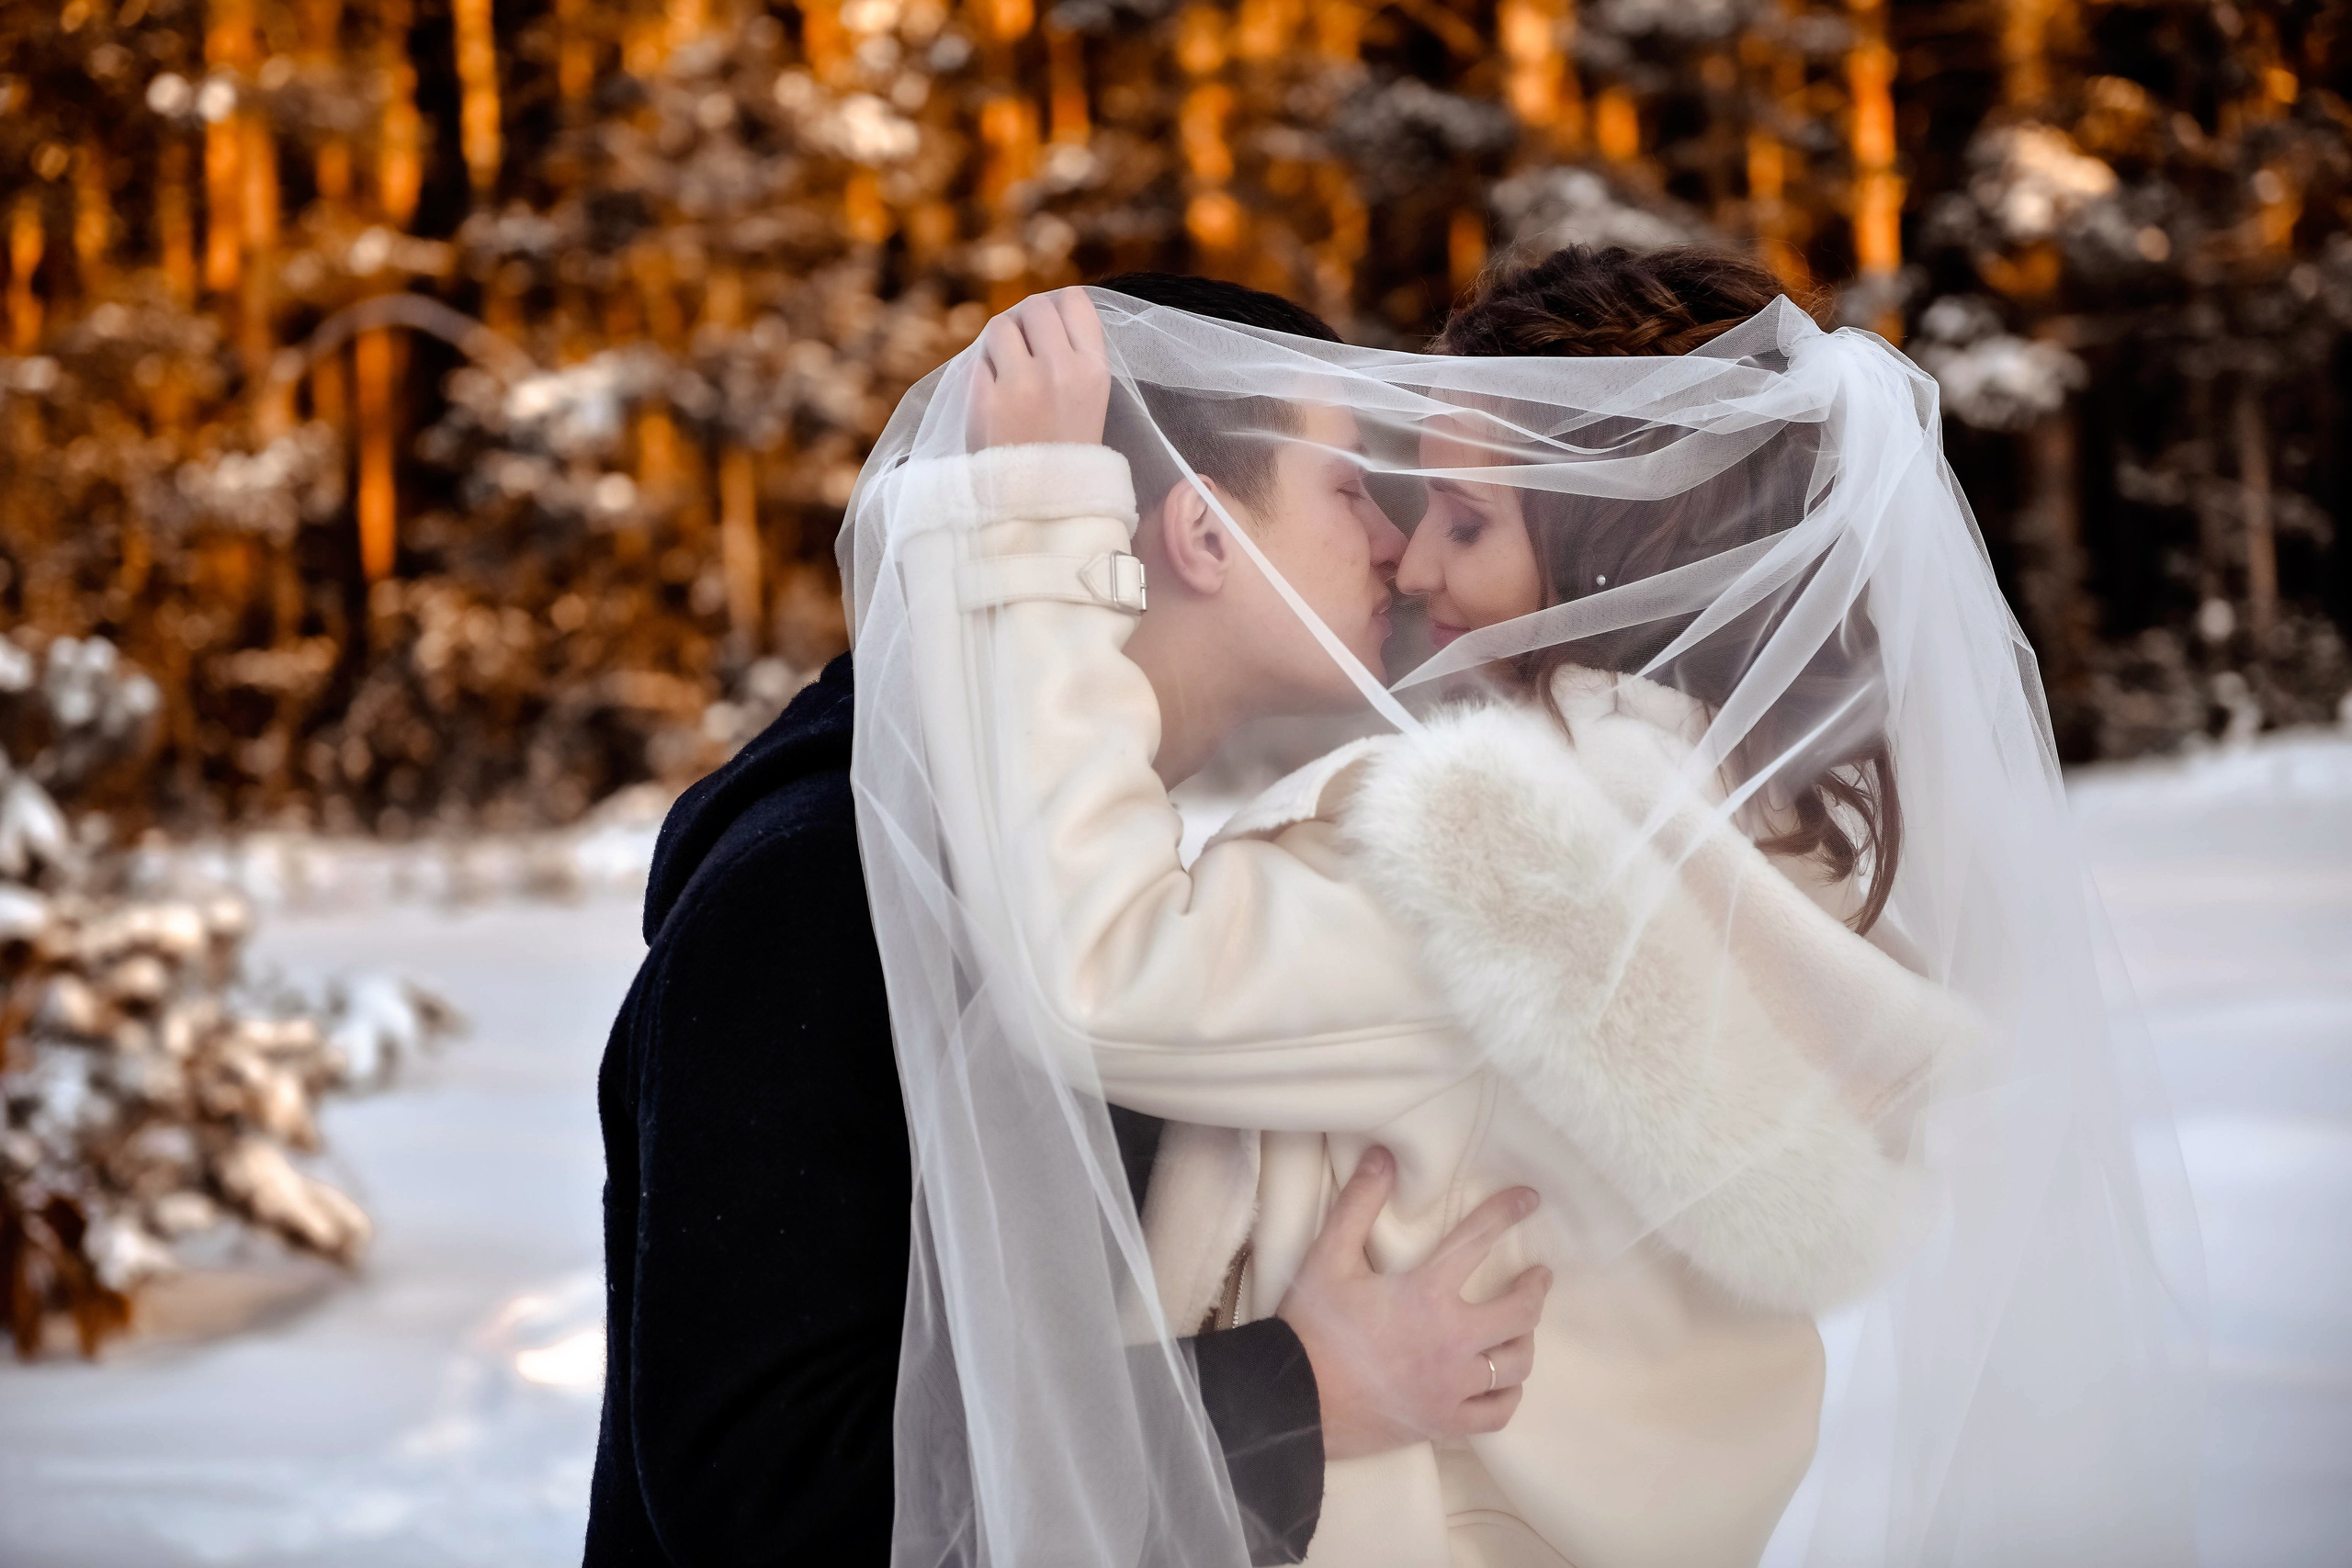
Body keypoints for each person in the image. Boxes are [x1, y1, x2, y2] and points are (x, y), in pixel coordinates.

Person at [846, 269, 2199, 1567]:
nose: (1415, 561)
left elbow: (1095, 968)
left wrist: (1024, 526)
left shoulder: (1519, 860)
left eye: (1468, 519)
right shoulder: (1769, 852)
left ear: (1617, 547)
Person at [582, 275, 1549, 1568]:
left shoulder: (1105, 877)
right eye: (1348, 487)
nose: (1397, 540)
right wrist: (1298, 1395)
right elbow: (770, 1499)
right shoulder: (816, 886)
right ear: (1202, 532)